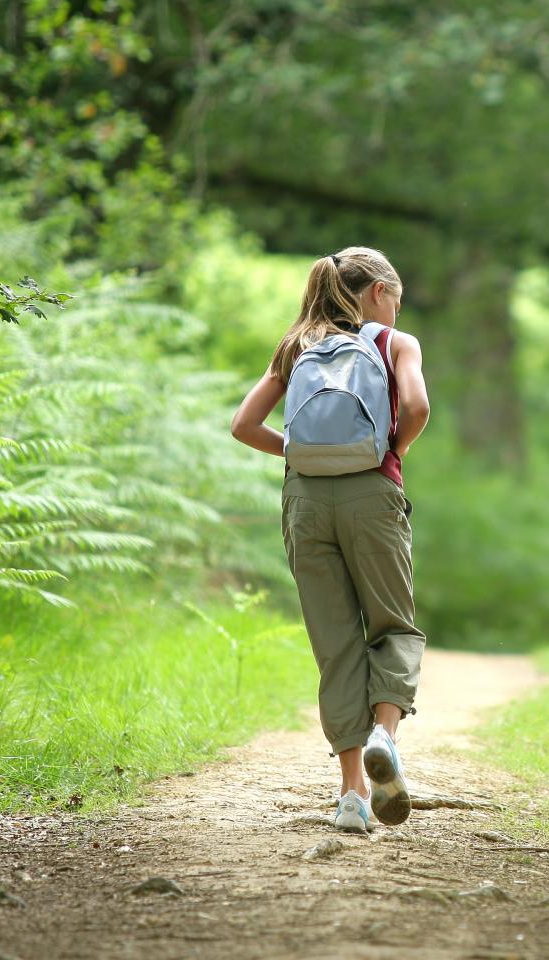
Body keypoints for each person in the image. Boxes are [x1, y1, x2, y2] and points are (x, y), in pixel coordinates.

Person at [230, 247, 430, 833]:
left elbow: (243, 425)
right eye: (395, 301)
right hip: (372, 494)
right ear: (378, 293)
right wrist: (391, 449)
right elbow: (417, 406)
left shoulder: (296, 345)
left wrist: (298, 452)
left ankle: (351, 796)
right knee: (393, 626)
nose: (395, 312)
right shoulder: (394, 343)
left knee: (336, 645)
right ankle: (385, 737)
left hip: (306, 502)